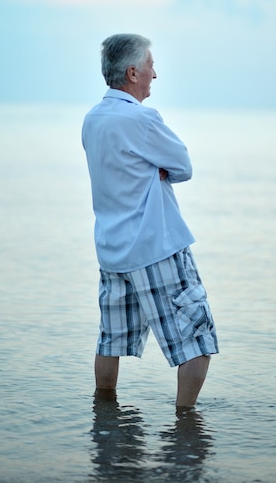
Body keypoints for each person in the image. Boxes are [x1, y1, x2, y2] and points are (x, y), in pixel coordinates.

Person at [82, 33, 219, 409]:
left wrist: (152, 168)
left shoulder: (92, 119)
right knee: (196, 340)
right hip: (154, 246)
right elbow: (184, 167)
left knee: (110, 341)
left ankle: (106, 423)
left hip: (112, 250)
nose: (154, 74)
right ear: (131, 73)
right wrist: (157, 168)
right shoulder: (142, 119)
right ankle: (185, 426)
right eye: (150, 66)